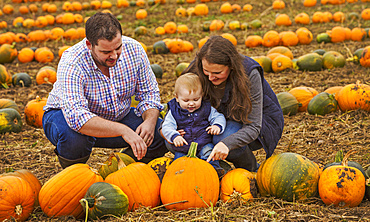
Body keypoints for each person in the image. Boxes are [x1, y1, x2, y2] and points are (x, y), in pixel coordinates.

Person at [42, 12, 167, 168]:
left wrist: (149, 121)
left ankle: (122, 170)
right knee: (74, 139)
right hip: (65, 118)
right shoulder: (72, 62)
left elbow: (150, 93)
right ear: (89, 45)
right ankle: (75, 175)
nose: (114, 56)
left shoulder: (134, 50)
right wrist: (123, 130)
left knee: (160, 132)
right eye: (106, 52)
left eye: (118, 47)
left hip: (117, 115)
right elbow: (76, 117)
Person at [184, 35, 284, 172]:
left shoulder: (249, 73)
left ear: (231, 66)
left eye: (217, 72)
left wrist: (226, 144)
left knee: (224, 136)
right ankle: (215, 169)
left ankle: (250, 169)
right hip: (217, 117)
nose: (210, 77)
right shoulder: (198, 67)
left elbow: (253, 126)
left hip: (254, 123)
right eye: (206, 71)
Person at [161, 73, 226, 173]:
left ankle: (214, 173)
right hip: (183, 148)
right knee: (179, 164)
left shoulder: (205, 108)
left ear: (201, 96)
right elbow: (167, 126)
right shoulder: (173, 112)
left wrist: (217, 125)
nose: (191, 103)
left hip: (204, 143)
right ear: (177, 98)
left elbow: (218, 116)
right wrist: (174, 136)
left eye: (196, 99)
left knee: (209, 154)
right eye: (186, 100)